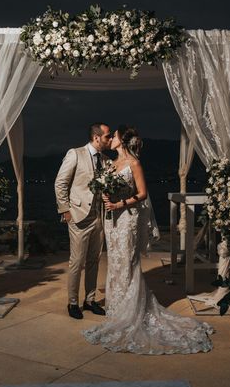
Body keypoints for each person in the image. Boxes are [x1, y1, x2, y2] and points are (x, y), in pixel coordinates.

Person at [83, 125, 213, 354]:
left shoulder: (134, 163)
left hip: (127, 219)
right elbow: (110, 188)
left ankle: (130, 311)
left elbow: (142, 193)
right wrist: (106, 195)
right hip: (112, 220)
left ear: (122, 140)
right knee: (115, 262)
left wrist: (119, 203)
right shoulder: (112, 164)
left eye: (114, 136)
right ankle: (117, 308)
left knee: (128, 263)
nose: (111, 138)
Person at [54, 123, 112, 319]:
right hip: (78, 216)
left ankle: (90, 300)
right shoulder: (75, 154)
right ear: (96, 137)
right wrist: (65, 210)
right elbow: (60, 183)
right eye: (107, 137)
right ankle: (72, 303)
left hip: (98, 217)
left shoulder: (105, 160)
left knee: (94, 260)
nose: (109, 139)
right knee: (77, 262)